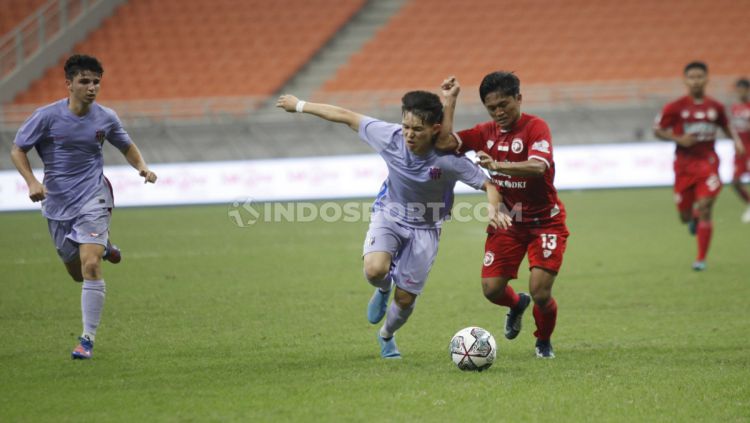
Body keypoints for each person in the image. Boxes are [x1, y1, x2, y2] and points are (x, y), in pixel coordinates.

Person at [276, 90, 510, 359]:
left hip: (426, 228)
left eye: (417, 129)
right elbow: (345, 115)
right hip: (389, 214)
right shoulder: (390, 136)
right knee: (375, 271)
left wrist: (494, 208)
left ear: (435, 129)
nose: (409, 134)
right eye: (406, 126)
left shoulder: (450, 160)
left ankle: (386, 335)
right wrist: (300, 105)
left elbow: (488, 184)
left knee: (406, 299)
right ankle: (383, 288)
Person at [10, 54, 157, 359]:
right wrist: (32, 182)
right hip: (56, 203)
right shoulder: (46, 117)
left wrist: (141, 166)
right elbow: (18, 149)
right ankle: (105, 245)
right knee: (77, 273)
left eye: (96, 82)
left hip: (94, 196)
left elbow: (125, 145)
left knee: (91, 265)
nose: (92, 87)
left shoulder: (106, 117)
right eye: (85, 81)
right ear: (69, 84)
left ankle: (87, 339)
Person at [436, 72, 569, 359]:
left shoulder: (536, 127)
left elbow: (538, 167)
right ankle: (516, 304)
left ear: (519, 98)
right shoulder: (485, 132)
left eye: (504, 104)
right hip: (509, 220)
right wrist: (450, 101)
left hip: (546, 222)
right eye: (491, 107)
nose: (499, 112)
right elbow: (444, 144)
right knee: (491, 289)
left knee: (541, 292)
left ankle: (543, 341)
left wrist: (498, 164)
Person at [654, 61, 745, 271]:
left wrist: (737, 142)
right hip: (684, 167)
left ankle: (701, 259)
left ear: (707, 79)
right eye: (692, 77)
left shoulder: (715, 107)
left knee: (705, 207)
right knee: (684, 216)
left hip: (708, 163)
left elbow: (726, 125)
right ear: (685, 80)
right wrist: (678, 138)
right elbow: (658, 130)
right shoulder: (675, 107)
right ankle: (692, 217)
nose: (696, 81)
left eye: (699, 76)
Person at [729, 77, 750, 223]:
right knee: (735, 182)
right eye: (739, 89)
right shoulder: (734, 108)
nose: (740, 92)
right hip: (739, 151)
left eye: (743, 89)